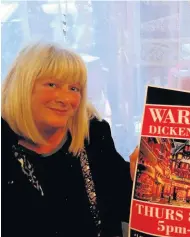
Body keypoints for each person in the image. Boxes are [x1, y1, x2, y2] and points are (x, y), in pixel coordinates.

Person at [1, 42, 134, 237]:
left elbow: (126, 202)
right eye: (52, 84)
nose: (65, 99)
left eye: (74, 88)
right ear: (22, 86)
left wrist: (141, 176)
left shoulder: (93, 135)